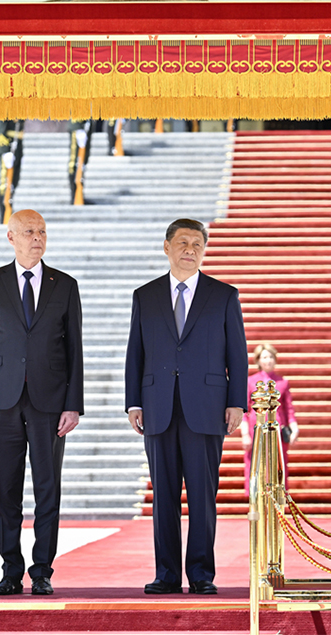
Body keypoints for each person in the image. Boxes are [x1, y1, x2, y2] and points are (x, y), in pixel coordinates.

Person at [125, 218, 248, 595]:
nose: (190, 249)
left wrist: (236, 403)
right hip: (158, 406)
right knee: (163, 498)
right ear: (167, 247)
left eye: (197, 243)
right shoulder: (144, 296)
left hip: (207, 408)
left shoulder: (224, 295)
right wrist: (133, 402)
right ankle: (166, 574)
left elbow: (237, 354)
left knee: (201, 496)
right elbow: (136, 353)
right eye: (182, 242)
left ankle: (200, 574)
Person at [0, 209, 84, 596]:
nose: (38, 238)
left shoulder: (64, 285)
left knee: (48, 487)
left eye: (43, 232)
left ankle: (42, 571)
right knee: (4, 490)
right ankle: (10, 569)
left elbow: (75, 350)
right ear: (11, 237)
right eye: (30, 231)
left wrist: (73, 404)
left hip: (50, 402)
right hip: (1, 402)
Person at [240, 343, 299, 495]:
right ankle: (256, 501)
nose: (268, 360)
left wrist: (294, 427)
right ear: (258, 360)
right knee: (255, 463)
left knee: (278, 462)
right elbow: (244, 409)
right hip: (256, 429)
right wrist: (245, 434)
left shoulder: (282, 382)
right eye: (264, 357)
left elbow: (289, 408)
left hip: (277, 429)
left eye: (271, 357)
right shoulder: (250, 381)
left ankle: (277, 499)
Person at [0, 119, 25, 223]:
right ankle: (4, 214)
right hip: (8, 146)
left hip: (17, 145)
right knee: (5, 184)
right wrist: (4, 150)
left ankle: (9, 210)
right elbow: (1, 127)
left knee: (14, 181)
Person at [67, 119, 92, 204]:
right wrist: (78, 126)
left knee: (83, 161)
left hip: (86, 124)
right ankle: (74, 196)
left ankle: (79, 194)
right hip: (77, 126)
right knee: (74, 161)